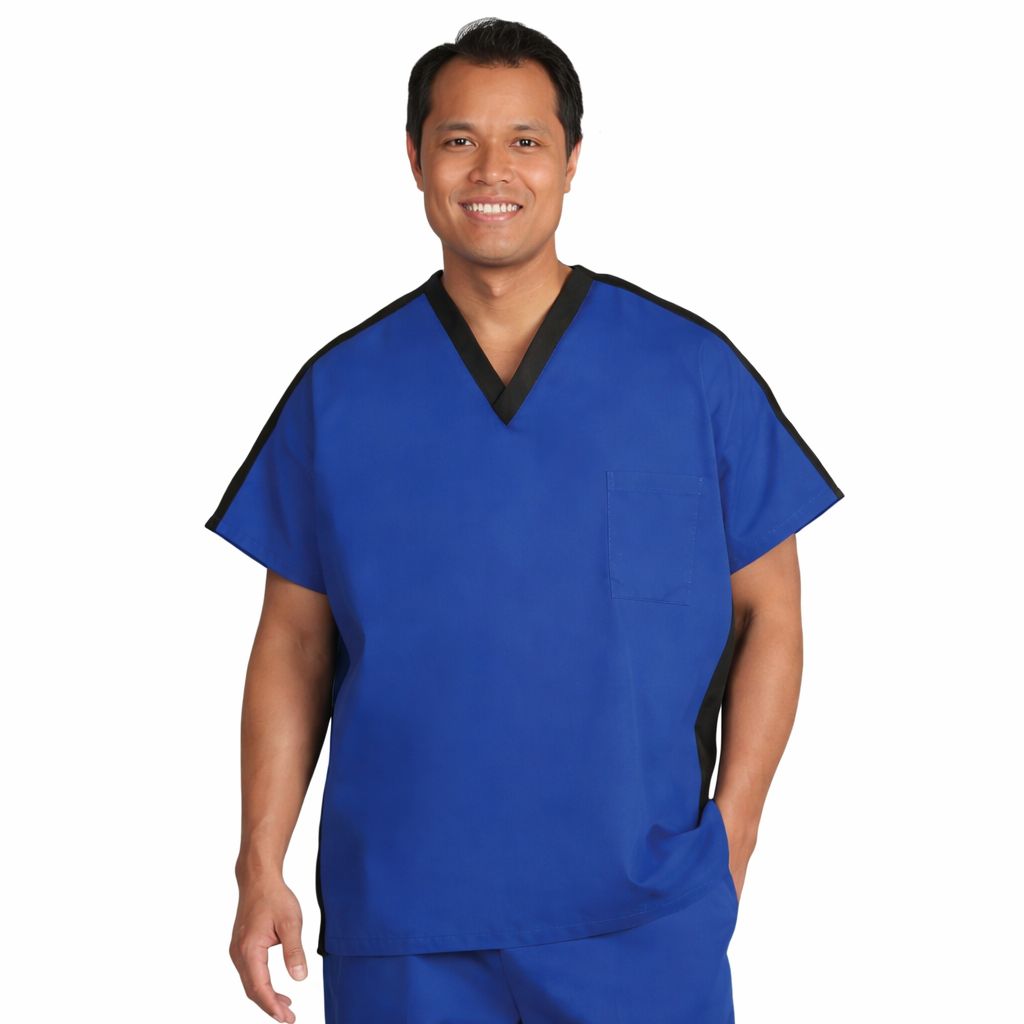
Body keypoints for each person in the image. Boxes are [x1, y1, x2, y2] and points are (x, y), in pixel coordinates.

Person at [205, 16, 845, 1024]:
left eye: (526, 140)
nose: (491, 170)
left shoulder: (688, 373)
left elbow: (772, 611)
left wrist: (736, 832)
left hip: (638, 919)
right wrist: (258, 865)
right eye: (459, 139)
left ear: (572, 160)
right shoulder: (343, 391)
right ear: (414, 157)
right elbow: (292, 642)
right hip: (404, 921)